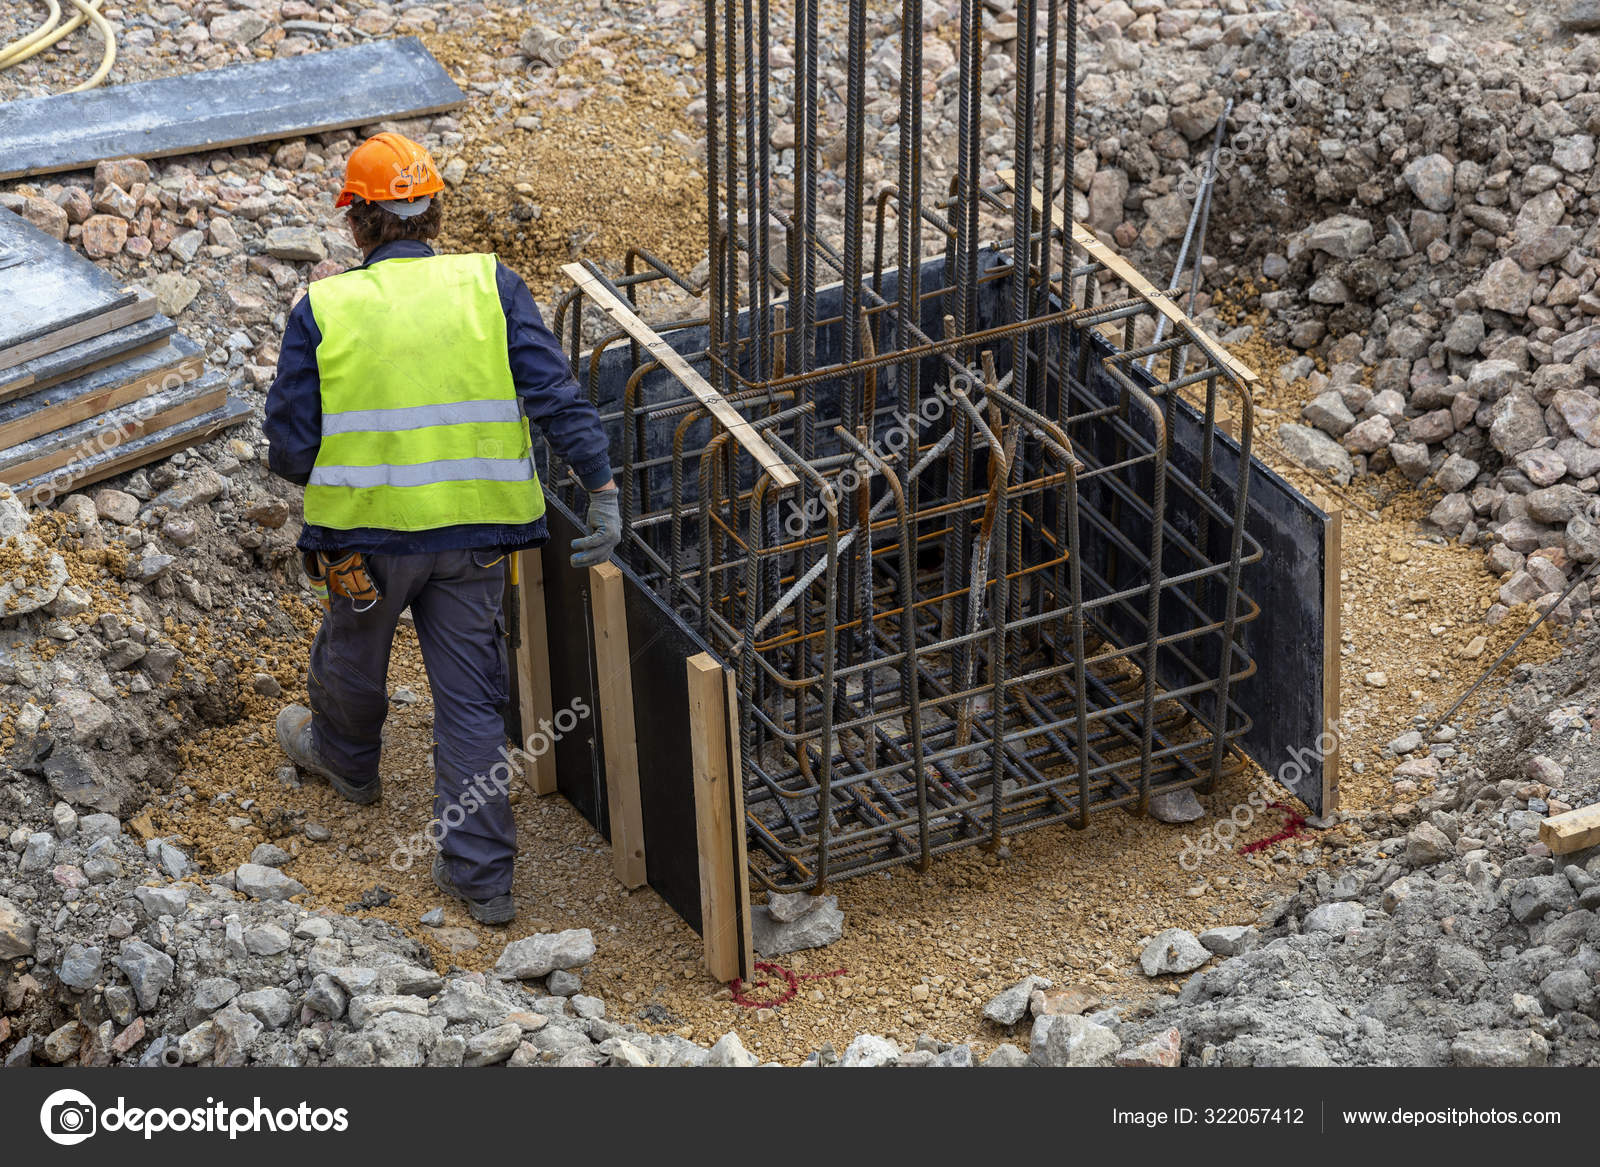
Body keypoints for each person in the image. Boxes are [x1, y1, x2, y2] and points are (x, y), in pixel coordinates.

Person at [263, 131, 621, 924]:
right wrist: (601, 487)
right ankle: (482, 879)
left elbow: (289, 447)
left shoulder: (323, 307)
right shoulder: (488, 284)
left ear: (357, 223)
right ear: (432, 214)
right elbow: (556, 394)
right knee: (470, 699)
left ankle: (348, 762)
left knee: (354, 653)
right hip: (477, 538)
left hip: (364, 542)